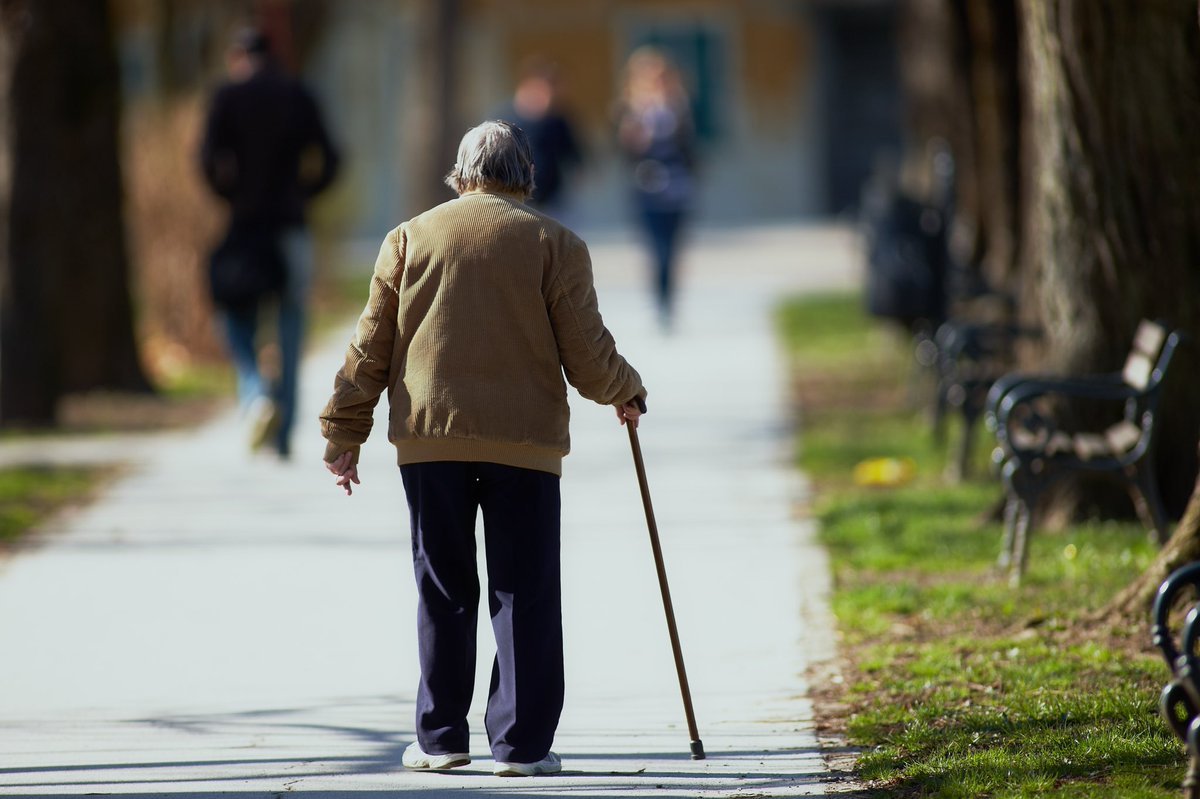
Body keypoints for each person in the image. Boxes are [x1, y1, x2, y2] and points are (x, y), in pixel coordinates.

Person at [319, 121, 646, 777]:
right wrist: (625, 390)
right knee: (523, 586)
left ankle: (441, 737)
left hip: (428, 438)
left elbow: (369, 349)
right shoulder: (555, 243)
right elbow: (586, 351)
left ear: (460, 175)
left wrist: (343, 430)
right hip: (522, 442)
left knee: (443, 585)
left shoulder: (407, 240)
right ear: (524, 176)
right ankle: (521, 745)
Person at [200, 27, 340, 459]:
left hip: (244, 227)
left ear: (237, 56)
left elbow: (206, 159)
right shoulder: (298, 94)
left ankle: (256, 390)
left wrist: (230, 195)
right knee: (291, 326)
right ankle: (282, 434)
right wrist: (304, 193)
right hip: (290, 227)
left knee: (230, 312)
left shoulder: (227, 96)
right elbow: (331, 158)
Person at [614, 47, 697, 330]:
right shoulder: (630, 109)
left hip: (677, 185)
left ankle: (669, 300)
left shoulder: (679, 107)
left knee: (673, 248)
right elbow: (625, 149)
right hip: (646, 186)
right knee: (655, 247)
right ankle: (658, 300)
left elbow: (690, 147)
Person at [498, 57, 582, 216]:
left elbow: (571, 151)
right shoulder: (505, 119)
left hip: (551, 197)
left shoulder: (557, 119)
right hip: (514, 197)